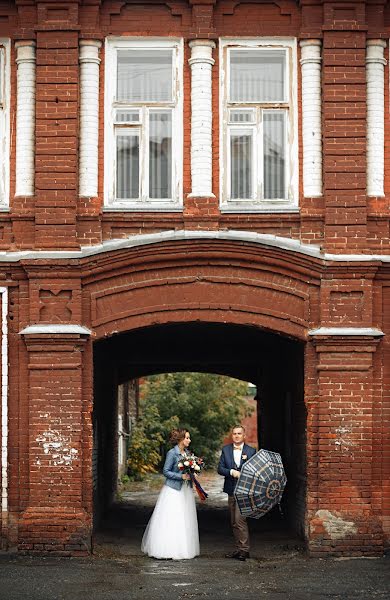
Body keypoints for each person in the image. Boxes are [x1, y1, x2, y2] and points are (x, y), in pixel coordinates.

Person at [141, 428, 200, 560]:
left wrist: (193, 473)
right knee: (172, 519)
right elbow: (166, 471)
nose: (189, 440)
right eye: (187, 438)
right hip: (173, 490)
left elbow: (189, 470)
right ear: (180, 439)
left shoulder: (188, 454)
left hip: (185, 490)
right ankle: (167, 550)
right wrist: (182, 477)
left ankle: (183, 549)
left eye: (189, 438)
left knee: (185, 519)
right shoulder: (172, 453)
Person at [217, 424, 256, 561]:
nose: (237, 436)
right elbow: (220, 468)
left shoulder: (251, 451)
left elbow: (255, 471)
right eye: (234, 434)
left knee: (240, 520)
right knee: (233, 521)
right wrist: (231, 472)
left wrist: (244, 474)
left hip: (244, 491)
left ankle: (245, 550)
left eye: (239, 433)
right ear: (232, 436)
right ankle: (239, 549)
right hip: (231, 490)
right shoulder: (226, 450)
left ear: (244, 435)